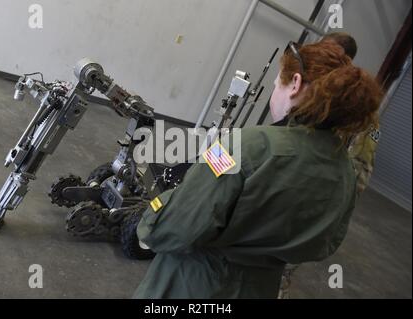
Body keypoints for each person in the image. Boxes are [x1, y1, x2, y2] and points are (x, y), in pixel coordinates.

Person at [133, 41, 382, 299]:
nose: (274, 90)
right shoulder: (344, 172)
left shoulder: (243, 145)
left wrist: (155, 213)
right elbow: (324, 243)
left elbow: (177, 226)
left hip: (194, 284)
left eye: (277, 85)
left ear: (295, 84)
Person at [278, 32, 380, 298]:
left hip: (314, 198)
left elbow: (359, 170)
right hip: (284, 189)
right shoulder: (314, 89)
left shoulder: (355, 108)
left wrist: (329, 209)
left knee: (279, 269)